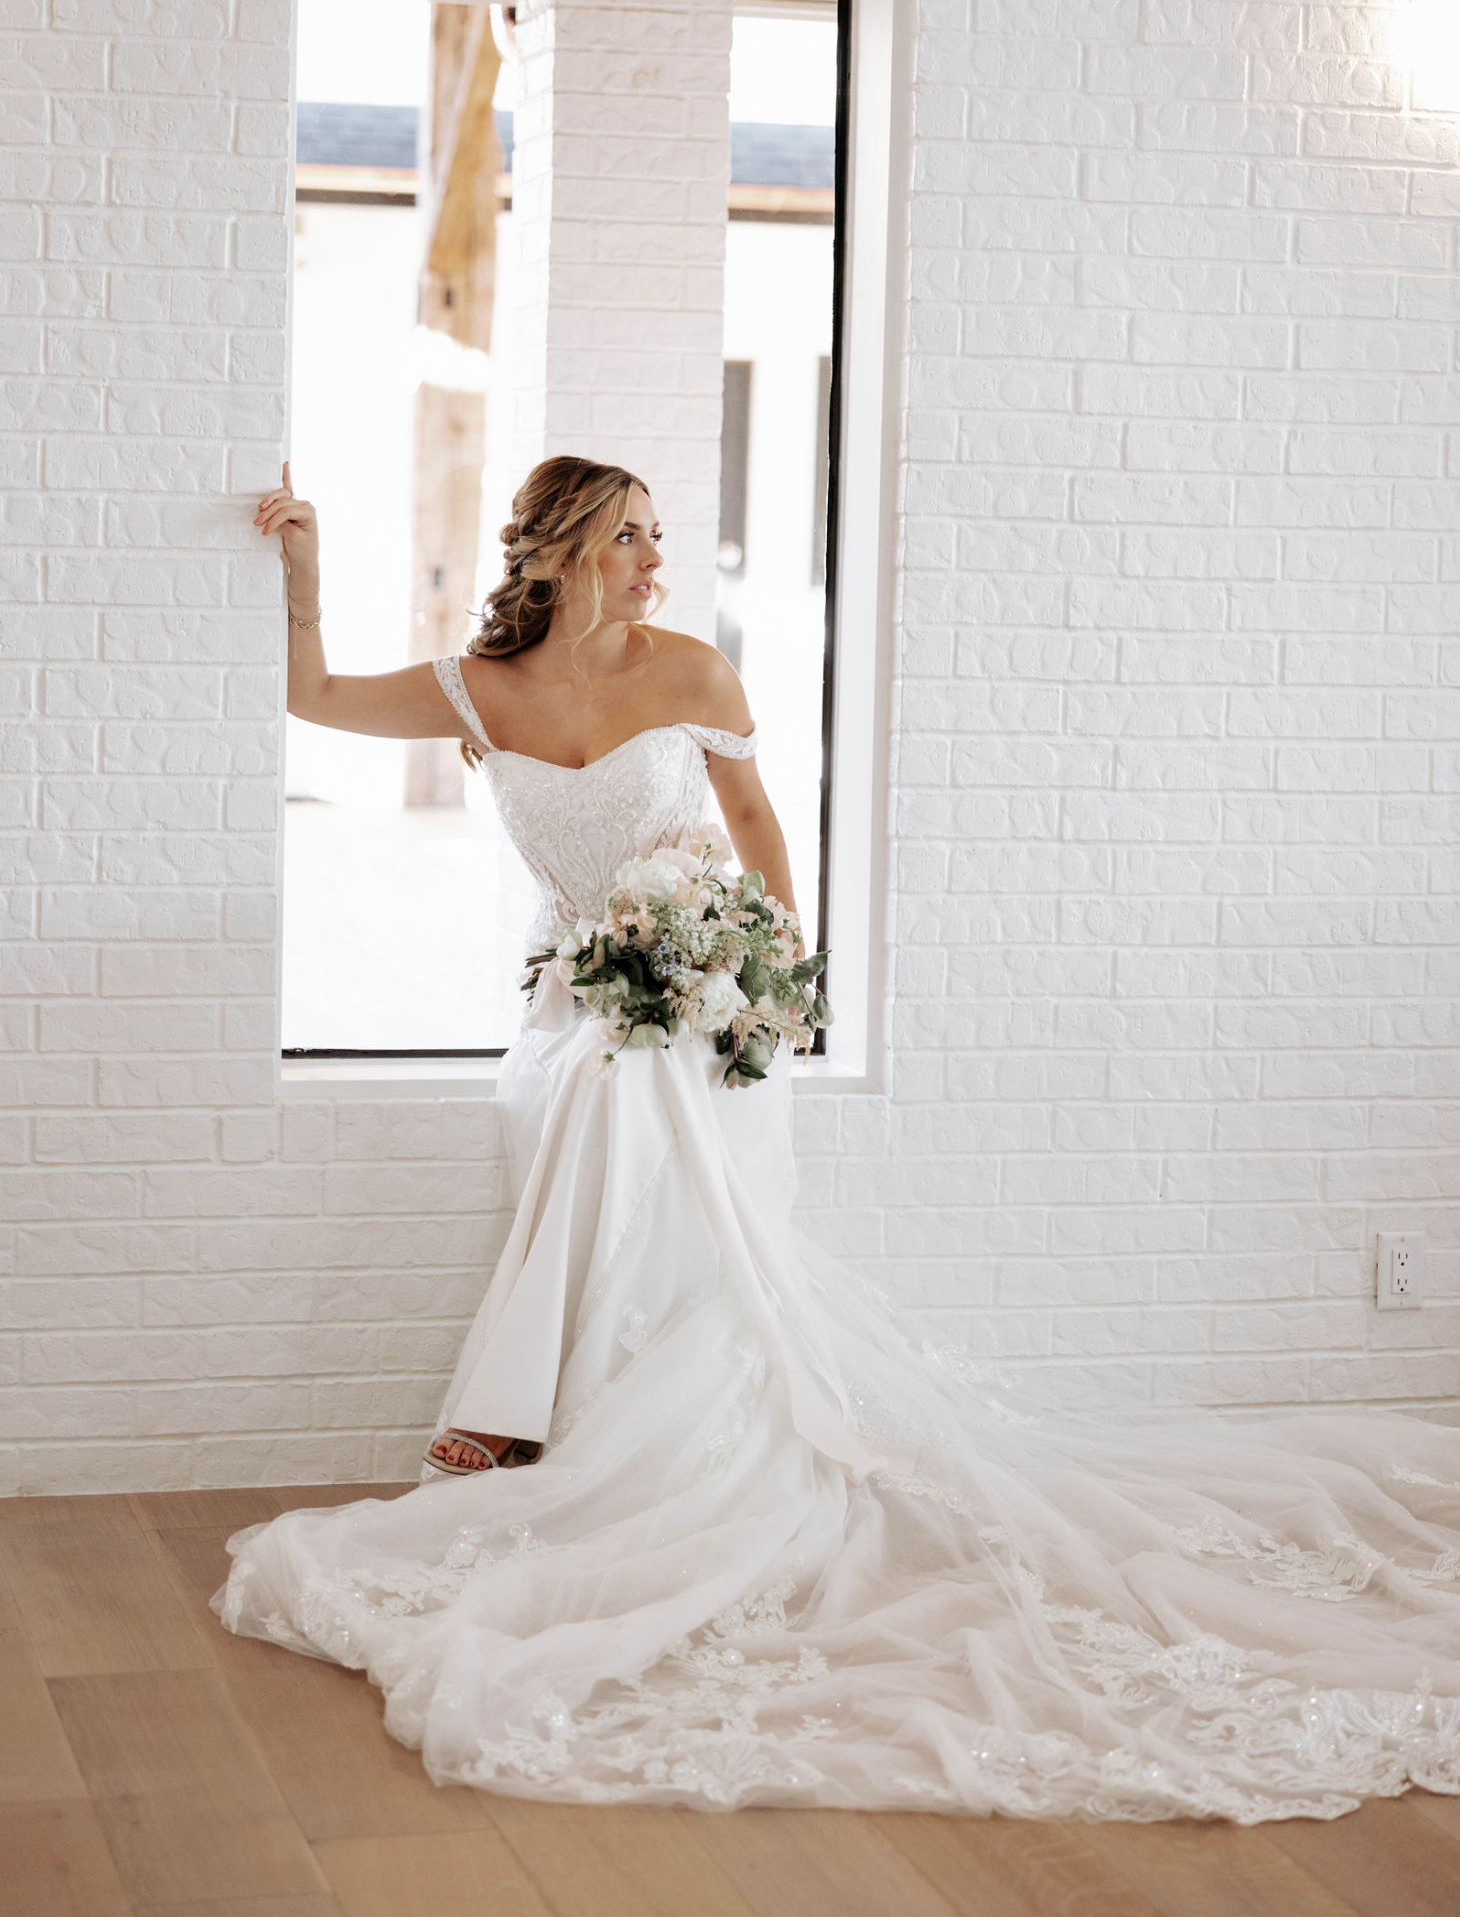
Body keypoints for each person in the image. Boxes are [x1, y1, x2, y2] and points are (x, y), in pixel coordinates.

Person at [219, 454, 1460, 1821]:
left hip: (703, 1015)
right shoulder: (478, 688)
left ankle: (505, 1416)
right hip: (575, 1008)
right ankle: (525, 1419)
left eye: (655, 535)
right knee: (596, 1076)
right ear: (564, 549)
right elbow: (311, 695)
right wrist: (306, 571)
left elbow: (752, 825)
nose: (653, 559)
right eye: (629, 535)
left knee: (630, 1085)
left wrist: (762, 979)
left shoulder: (693, 672)